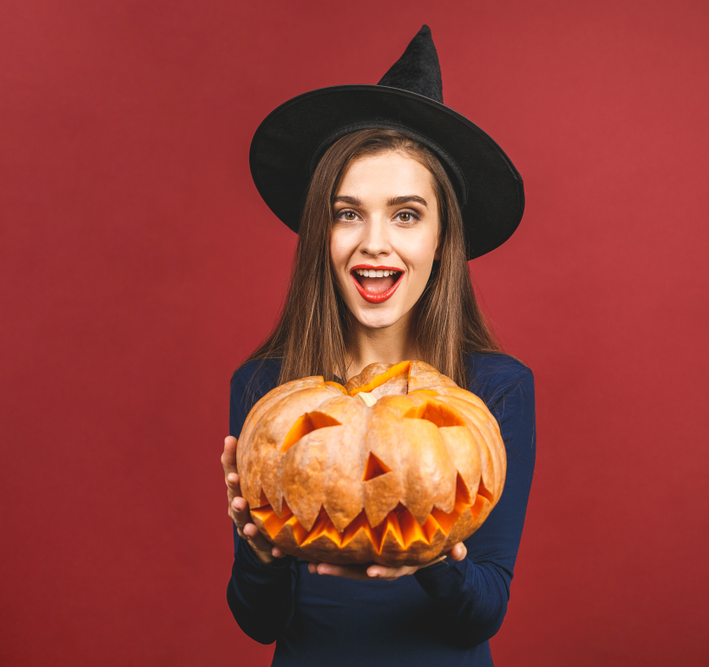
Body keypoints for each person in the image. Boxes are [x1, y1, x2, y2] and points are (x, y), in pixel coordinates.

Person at [220, 26, 536, 666]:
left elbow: (484, 610)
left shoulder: (496, 388)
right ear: (322, 236)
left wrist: (426, 553)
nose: (375, 243)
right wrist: (260, 551)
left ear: (443, 239)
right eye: (347, 213)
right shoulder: (266, 388)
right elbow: (259, 623)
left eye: (406, 214)